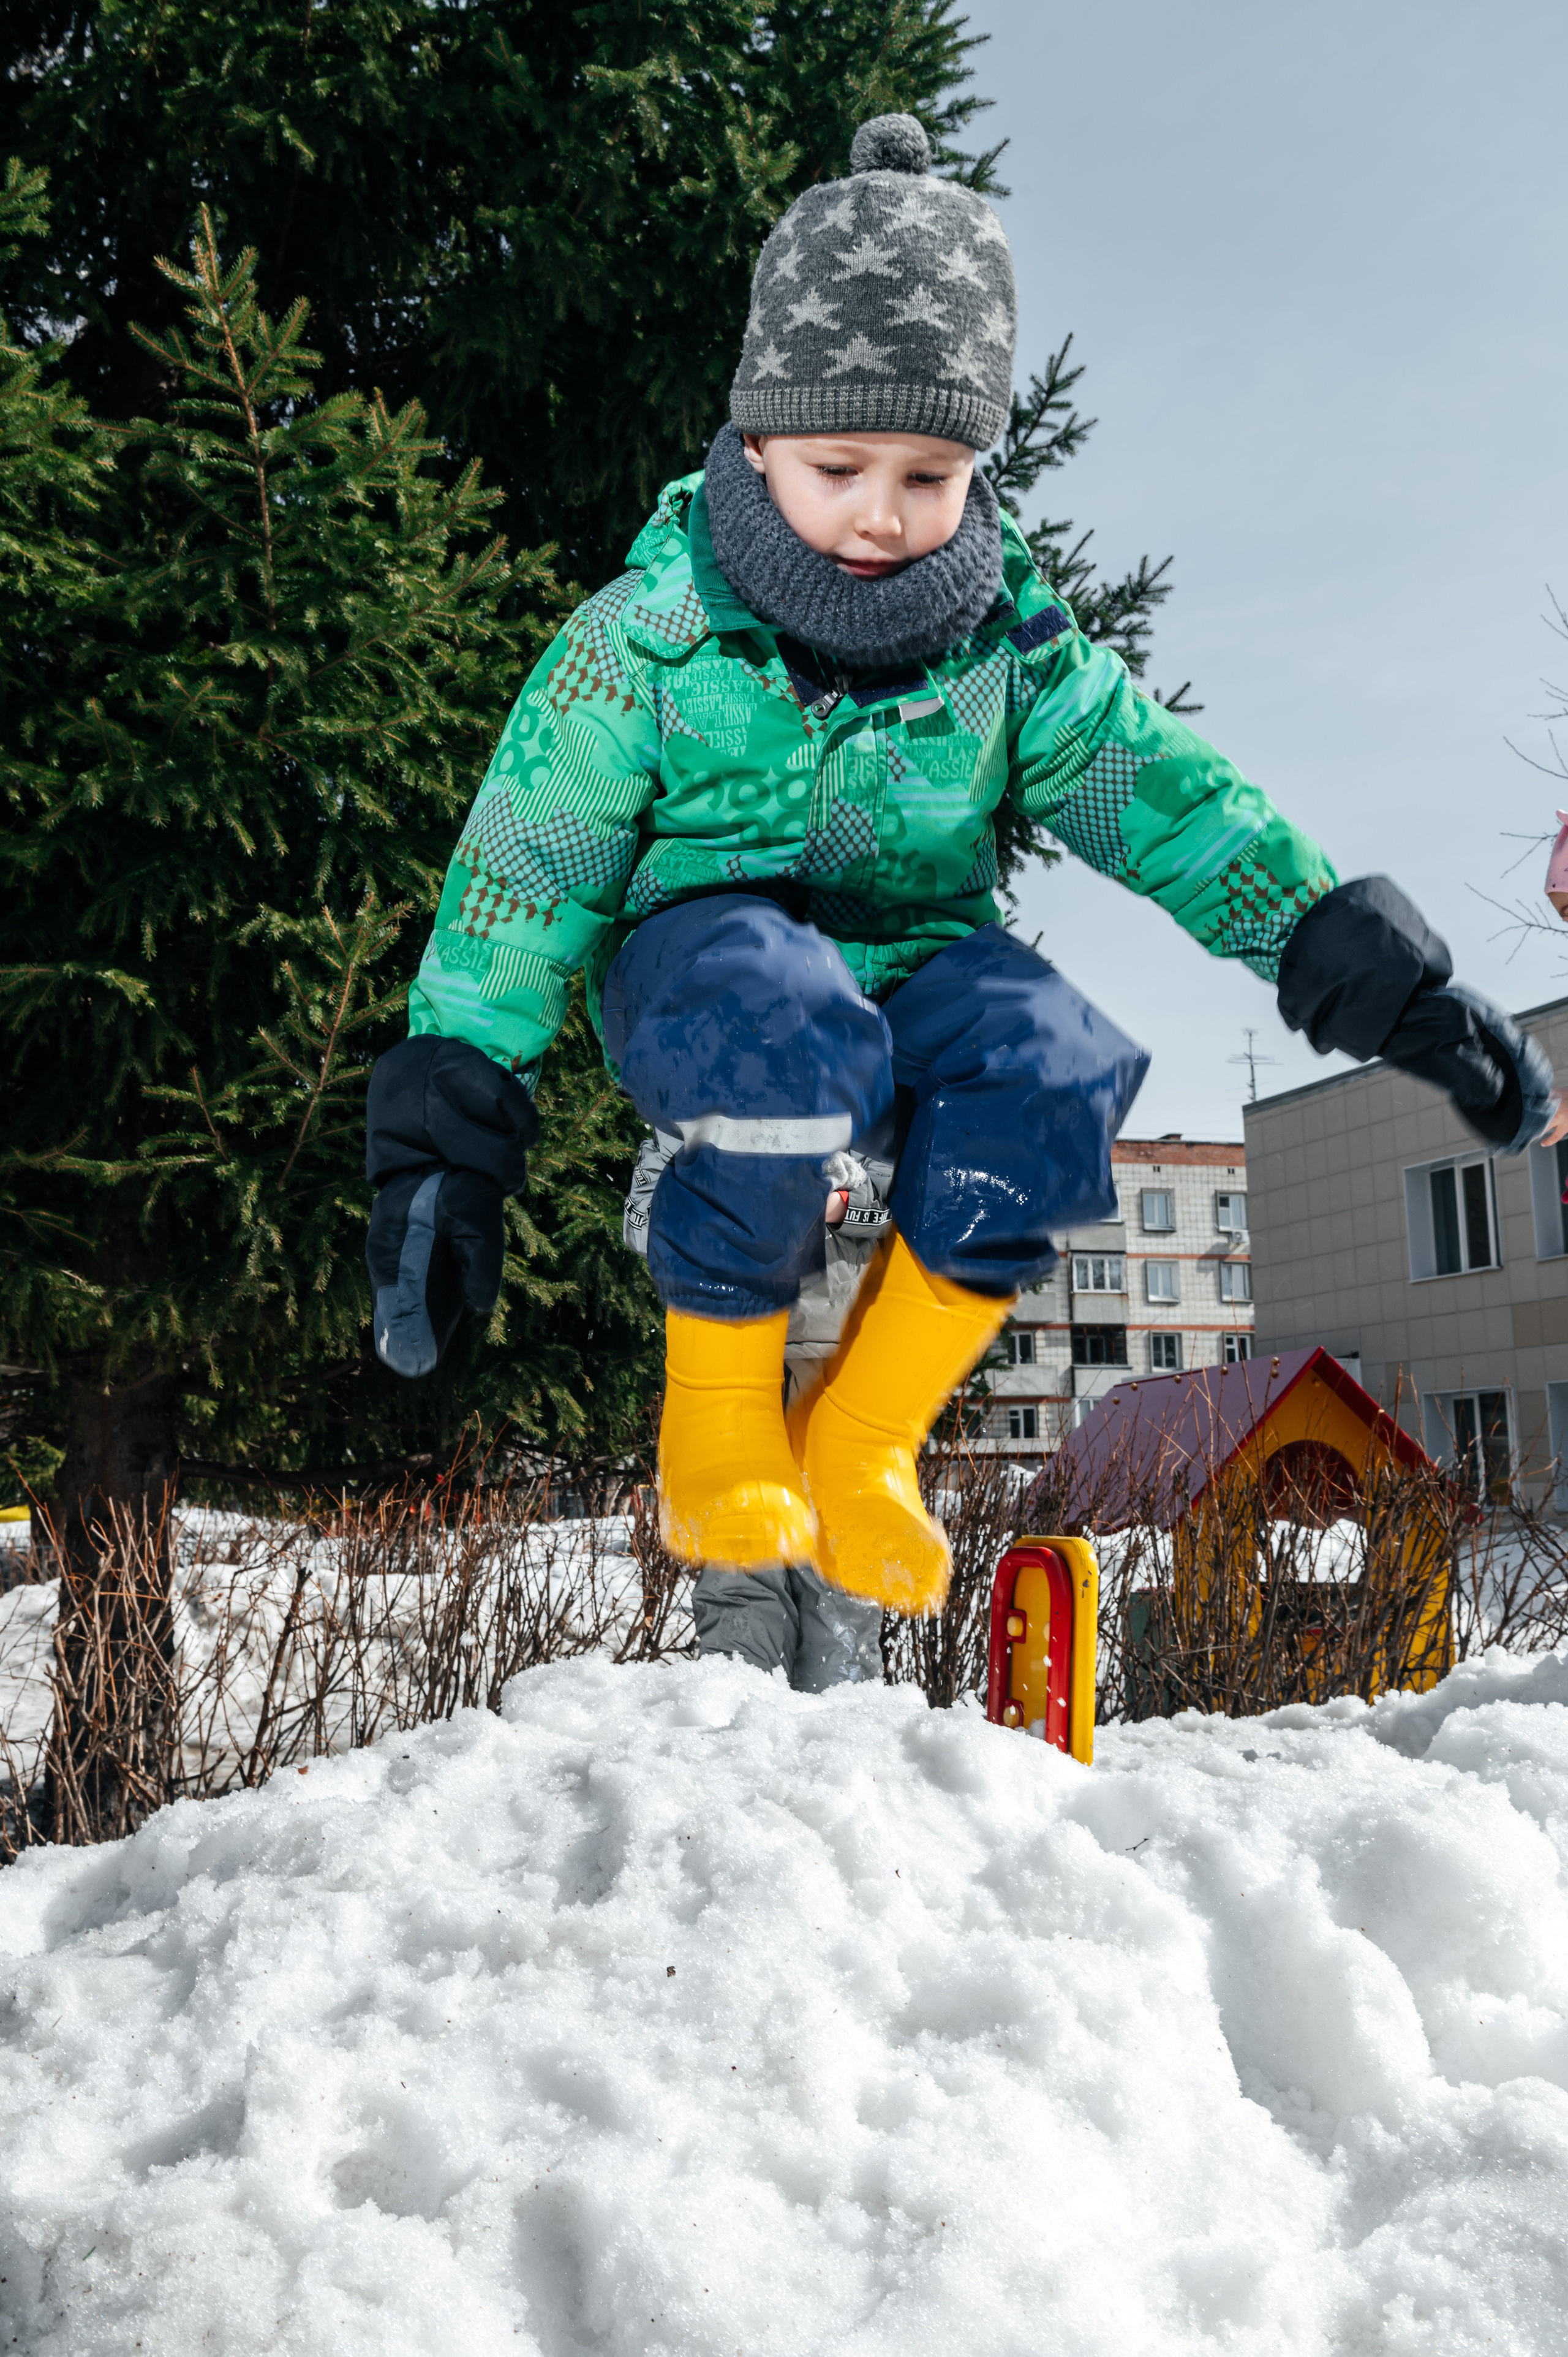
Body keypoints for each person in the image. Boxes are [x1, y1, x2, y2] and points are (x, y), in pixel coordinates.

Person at [363, 114, 1563, 1692]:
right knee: (784, 1021)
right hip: (702, 963)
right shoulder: (644, 637)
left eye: (928, 474)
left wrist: (1370, 975)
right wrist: (446, 1145)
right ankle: (721, 1417)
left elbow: (1170, 806)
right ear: (757, 443)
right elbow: (526, 872)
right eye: (839, 468)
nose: (881, 513)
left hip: (919, 963)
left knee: (1061, 1070)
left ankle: (864, 1435)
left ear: (975, 467)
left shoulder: (1009, 646)